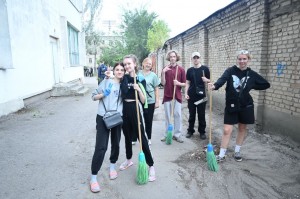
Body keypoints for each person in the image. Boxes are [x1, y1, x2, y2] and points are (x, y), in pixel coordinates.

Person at [208, 50, 270, 162]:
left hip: (246, 105)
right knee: (227, 130)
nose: (242, 61)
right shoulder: (230, 70)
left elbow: (266, 84)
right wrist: (215, 86)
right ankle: (221, 155)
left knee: (242, 128)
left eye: (244, 59)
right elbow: (222, 80)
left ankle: (237, 151)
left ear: (248, 60)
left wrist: (251, 86)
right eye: (240, 59)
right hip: (231, 105)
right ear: (237, 59)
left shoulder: (251, 74)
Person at [119, 54, 156, 182]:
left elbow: (144, 99)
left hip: (135, 108)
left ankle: (151, 165)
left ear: (135, 64)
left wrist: (139, 90)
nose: (127, 66)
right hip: (124, 109)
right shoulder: (122, 78)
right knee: (127, 137)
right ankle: (129, 159)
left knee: (142, 138)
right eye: (125, 64)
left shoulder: (140, 79)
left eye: (129, 63)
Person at [90, 62, 125, 193]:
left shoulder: (124, 85)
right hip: (103, 117)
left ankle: (112, 167)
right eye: (117, 69)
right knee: (101, 147)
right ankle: (93, 177)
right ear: (114, 71)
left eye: (122, 70)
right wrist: (103, 94)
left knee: (115, 144)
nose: (120, 71)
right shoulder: (106, 82)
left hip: (117, 117)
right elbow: (93, 96)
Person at [161, 50, 186, 143]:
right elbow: (163, 83)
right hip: (167, 95)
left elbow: (184, 84)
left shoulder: (181, 70)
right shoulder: (165, 68)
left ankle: (177, 134)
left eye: (174, 56)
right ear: (169, 58)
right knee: (168, 116)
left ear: (176, 58)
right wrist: (163, 72)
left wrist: (178, 83)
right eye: (171, 57)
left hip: (177, 96)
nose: (172, 58)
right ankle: (167, 134)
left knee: (177, 115)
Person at [185, 52, 210, 140]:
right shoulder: (189, 70)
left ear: (200, 58)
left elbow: (210, 81)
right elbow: (187, 83)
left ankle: (202, 132)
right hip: (191, 96)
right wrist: (186, 93)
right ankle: (190, 130)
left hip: (201, 97)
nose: (196, 59)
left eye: (197, 57)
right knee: (192, 114)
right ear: (192, 59)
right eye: (194, 58)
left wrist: (206, 80)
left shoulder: (205, 69)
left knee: (201, 114)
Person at [138, 57, 160, 145]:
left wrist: (157, 101)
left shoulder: (153, 75)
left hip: (150, 101)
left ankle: (148, 137)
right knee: (138, 119)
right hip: (139, 100)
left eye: (150, 64)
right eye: (146, 63)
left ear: (151, 66)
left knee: (148, 119)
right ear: (143, 64)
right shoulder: (138, 73)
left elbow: (156, 89)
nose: (148, 65)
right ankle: (138, 137)